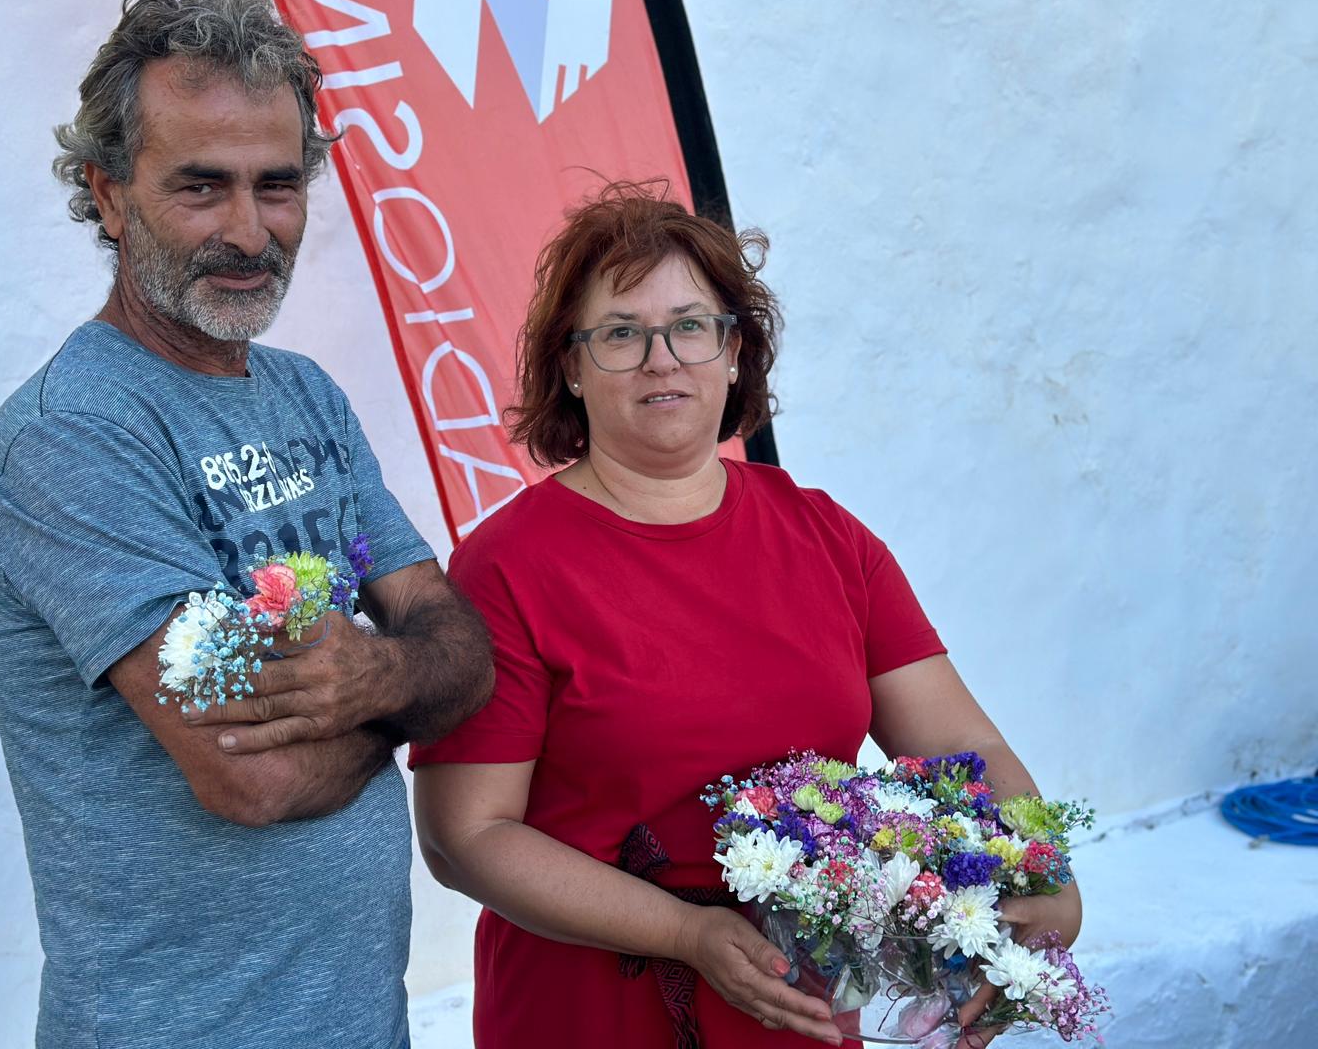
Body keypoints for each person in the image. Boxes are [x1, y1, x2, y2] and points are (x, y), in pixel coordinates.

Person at [408, 185, 1082, 1048]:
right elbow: (465, 837)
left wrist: (1047, 876)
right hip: (592, 1009)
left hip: (802, 1005)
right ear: (570, 369)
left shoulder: (827, 535)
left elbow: (966, 750)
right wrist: (683, 933)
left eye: (691, 326)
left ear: (735, 354)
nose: (662, 358)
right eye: (620, 334)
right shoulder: (506, 565)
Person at [0, 0, 493, 1049]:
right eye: (201, 187)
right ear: (107, 193)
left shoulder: (304, 392)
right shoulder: (72, 435)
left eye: (279, 184)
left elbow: (460, 649)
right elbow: (254, 776)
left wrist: (378, 676)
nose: (251, 232)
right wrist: (401, 702)